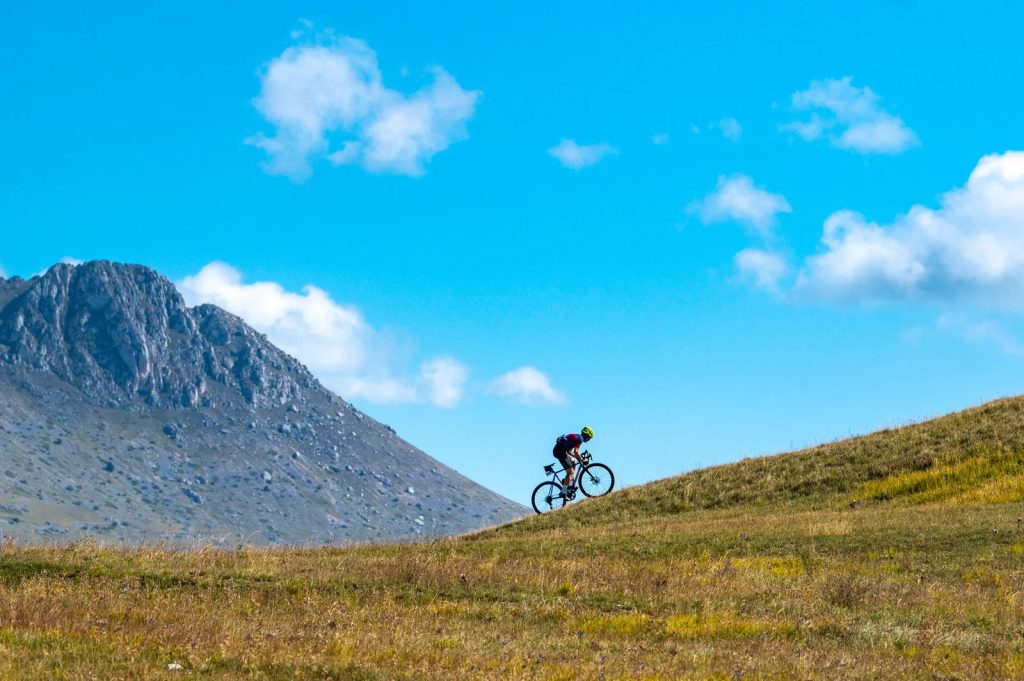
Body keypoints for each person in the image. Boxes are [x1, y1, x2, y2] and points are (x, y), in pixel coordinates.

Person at [553, 426, 594, 490]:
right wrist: (582, 460)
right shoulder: (579, 439)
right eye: (589, 438)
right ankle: (563, 492)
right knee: (570, 472)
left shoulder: (577, 437)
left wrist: (579, 458)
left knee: (573, 462)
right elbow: (576, 452)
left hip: (561, 451)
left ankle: (568, 482)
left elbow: (569, 452)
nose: (589, 440)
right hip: (560, 452)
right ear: (587, 435)